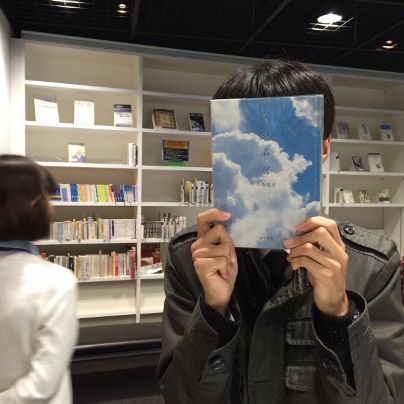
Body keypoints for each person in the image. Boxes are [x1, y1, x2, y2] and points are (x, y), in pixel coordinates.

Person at [157, 59, 404, 403]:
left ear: (324, 148)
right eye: (243, 137)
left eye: (291, 138)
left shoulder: (371, 266)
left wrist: (339, 313)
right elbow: (178, 397)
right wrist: (213, 310)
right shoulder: (191, 258)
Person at [0, 154, 78, 403]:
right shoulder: (56, 281)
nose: (52, 207)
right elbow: (41, 386)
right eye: (47, 198)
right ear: (32, 206)